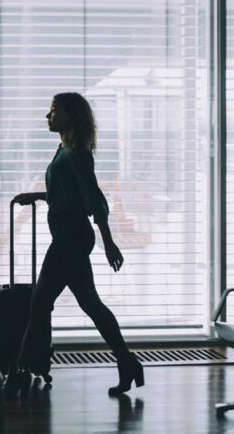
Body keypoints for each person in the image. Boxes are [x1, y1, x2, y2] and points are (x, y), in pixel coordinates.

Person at [12, 92, 142, 396]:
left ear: (71, 115)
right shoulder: (65, 149)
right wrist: (38, 196)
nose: (48, 116)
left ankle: (16, 373)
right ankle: (128, 363)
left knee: (40, 302)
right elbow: (67, 195)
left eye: (54, 110)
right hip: (68, 236)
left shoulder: (78, 153)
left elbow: (93, 200)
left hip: (71, 238)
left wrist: (109, 243)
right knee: (89, 304)